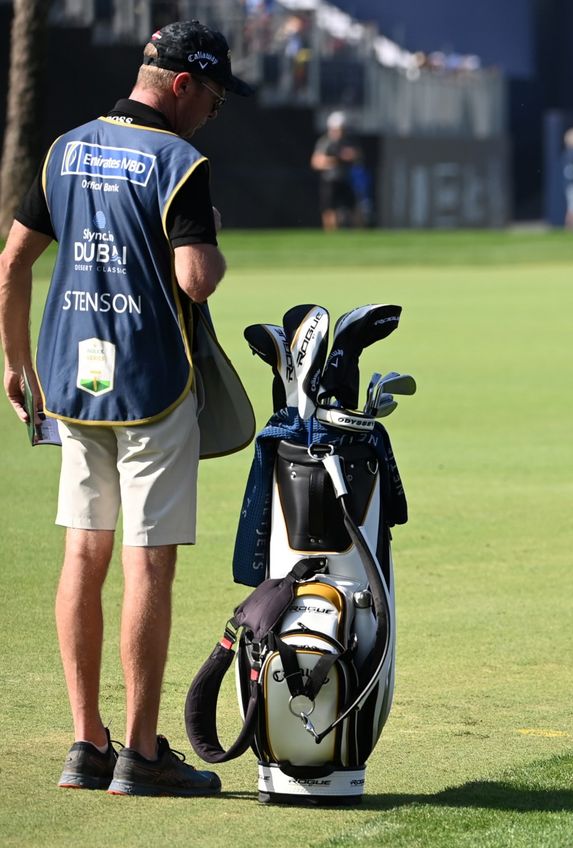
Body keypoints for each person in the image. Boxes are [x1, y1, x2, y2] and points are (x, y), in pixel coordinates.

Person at [0, 19, 254, 796]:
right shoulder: (181, 160)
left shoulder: (64, 147)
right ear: (182, 85)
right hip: (152, 385)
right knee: (149, 560)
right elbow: (197, 280)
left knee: (84, 553)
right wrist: (209, 238)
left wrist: (16, 367)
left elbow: (11, 265)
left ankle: (86, 744)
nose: (213, 112)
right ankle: (140, 754)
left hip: (74, 381)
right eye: (212, 96)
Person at [311, 111, 361, 231]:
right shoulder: (325, 142)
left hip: (345, 178)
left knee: (354, 207)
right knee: (329, 209)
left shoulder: (348, 141)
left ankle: (360, 234)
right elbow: (315, 162)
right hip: (329, 180)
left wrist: (348, 156)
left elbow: (356, 155)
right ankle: (331, 234)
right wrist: (334, 160)